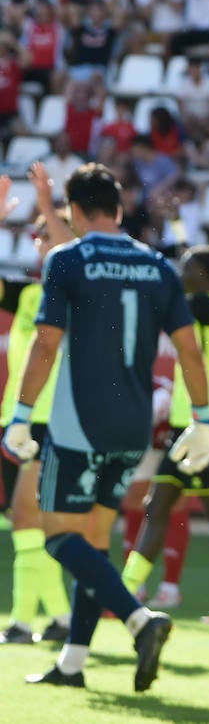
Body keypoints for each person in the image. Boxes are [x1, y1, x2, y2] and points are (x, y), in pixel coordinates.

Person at [2, 163, 209, 691]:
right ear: (119, 210)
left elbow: (47, 343)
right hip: (133, 428)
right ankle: (72, 664)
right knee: (96, 543)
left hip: (78, 425)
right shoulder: (159, 267)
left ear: (74, 213)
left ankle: (140, 620)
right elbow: (189, 350)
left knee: (55, 537)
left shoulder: (66, 259)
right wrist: (203, 422)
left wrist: (22, 415)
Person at [120, 246, 209, 629]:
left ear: (206, 275)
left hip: (204, 422)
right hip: (200, 420)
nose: (182, 272)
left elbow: (190, 306)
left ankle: (121, 594)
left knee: (171, 506)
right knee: (176, 506)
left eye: (189, 267)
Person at [0, 166, 75, 646]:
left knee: (31, 520)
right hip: (16, 421)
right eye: (36, 234)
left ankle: (23, 622)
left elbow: (71, 249)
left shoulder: (79, 293)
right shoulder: (29, 294)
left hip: (54, 422)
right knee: (26, 523)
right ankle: (60, 618)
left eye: (46, 233)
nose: (39, 240)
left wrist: (47, 203)